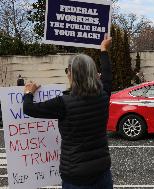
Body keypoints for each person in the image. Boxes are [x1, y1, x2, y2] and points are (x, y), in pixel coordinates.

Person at [23, 35, 113, 189]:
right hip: (102, 172)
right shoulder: (103, 95)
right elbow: (108, 76)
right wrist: (104, 50)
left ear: (72, 74)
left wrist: (28, 93)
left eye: (67, 71)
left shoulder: (63, 103)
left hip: (75, 177)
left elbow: (29, 109)